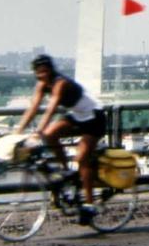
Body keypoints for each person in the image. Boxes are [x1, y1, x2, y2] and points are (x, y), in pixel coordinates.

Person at [14, 54, 106, 222]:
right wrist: (18, 132)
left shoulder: (60, 83)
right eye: (38, 72)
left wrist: (37, 132)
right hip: (77, 116)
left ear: (50, 70)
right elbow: (33, 108)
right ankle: (66, 170)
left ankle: (90, 204)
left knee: (82, 158)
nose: (41, 75)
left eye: (44, 71)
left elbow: (51, 109)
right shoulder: (42, 85)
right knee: (50, 135)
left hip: (94, 117)